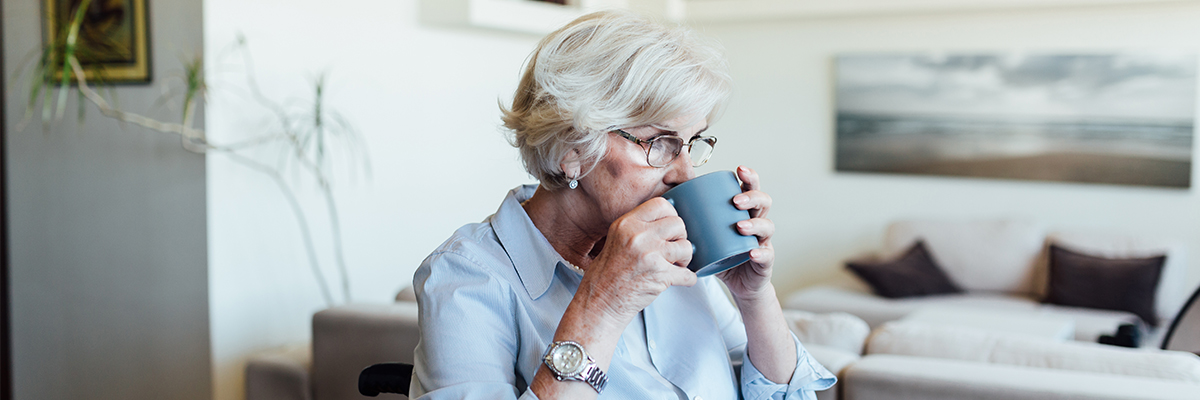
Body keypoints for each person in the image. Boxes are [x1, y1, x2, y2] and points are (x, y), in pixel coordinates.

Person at [411, 10, 835, 400]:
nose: (684, 174)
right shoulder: (467, 277)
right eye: (661, 143)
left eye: (692, 143)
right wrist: (605, 304)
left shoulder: (678, 248)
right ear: (571, 147)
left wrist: (754, 297)